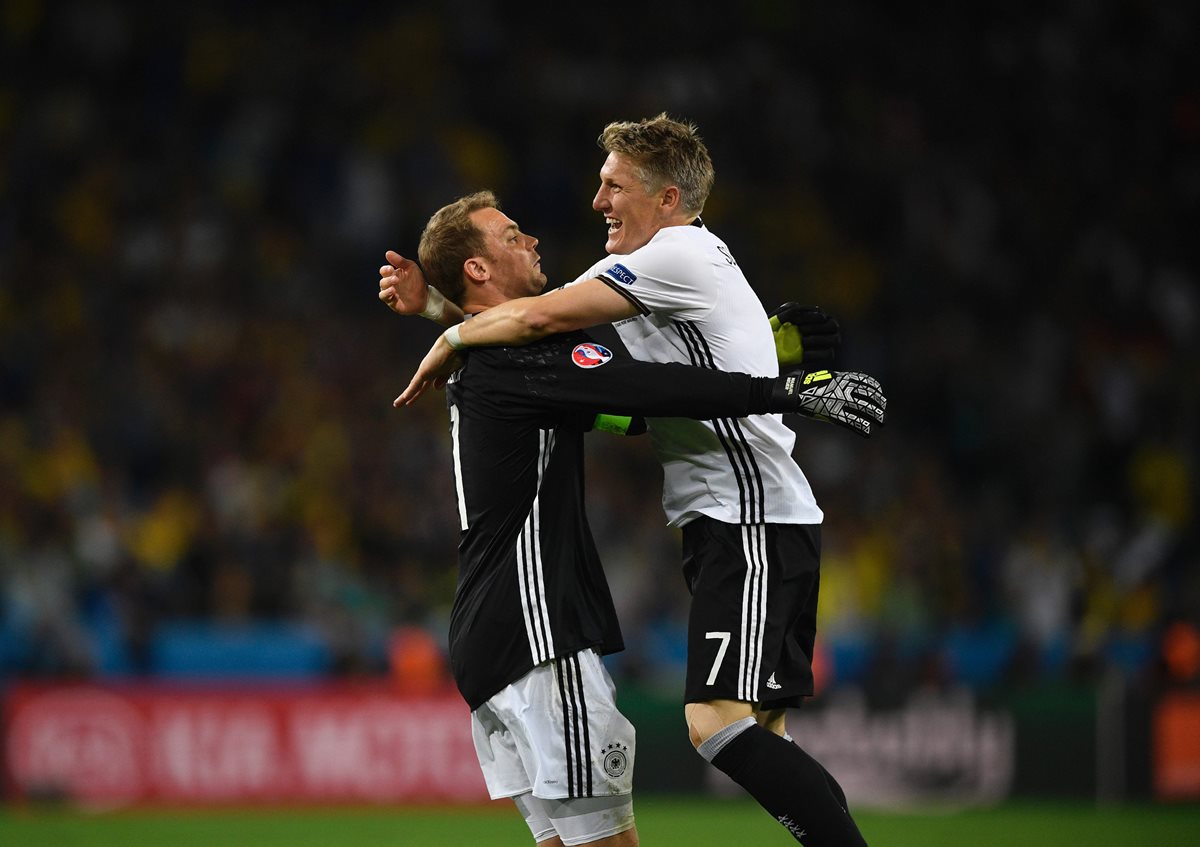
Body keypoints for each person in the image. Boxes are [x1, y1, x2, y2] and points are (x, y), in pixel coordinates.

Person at [387, 114, 879, 846]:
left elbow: (587, 365)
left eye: (613, 185)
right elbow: (619, 386)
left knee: (720, 728)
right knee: (750, 736)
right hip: (541, 625)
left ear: (668, 199)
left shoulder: (668, 259)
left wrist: (446, 323)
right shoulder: (528, 361)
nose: (594, 203)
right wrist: (779, 383)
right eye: (512, 233)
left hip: (734, 522)